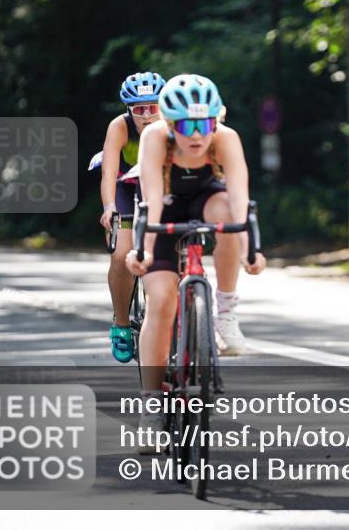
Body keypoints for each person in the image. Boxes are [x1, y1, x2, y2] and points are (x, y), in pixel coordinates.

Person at [125, 74, 266, 443]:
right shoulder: (155, 138)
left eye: (204, 123)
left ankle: (224, 311)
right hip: (164, 210)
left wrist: (253, 249)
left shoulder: (226, 139)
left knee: (229, 219)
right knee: (162, 300)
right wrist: (143, 251)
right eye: (186, 125)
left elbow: (239, 200)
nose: (196, 135)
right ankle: (152, 405)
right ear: (169, 124)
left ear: (215, 120)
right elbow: (151, 202)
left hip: (207, 200)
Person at [95, 71, 165, 363]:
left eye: (153, 107)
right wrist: (109, 206)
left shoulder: (173, 124)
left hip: (160, 185)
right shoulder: (120, 127)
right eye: (139, 110)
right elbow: (109, 172)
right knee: (122, 253)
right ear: (129, 110)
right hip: (127, 187)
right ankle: (122, 324)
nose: (147, 116)